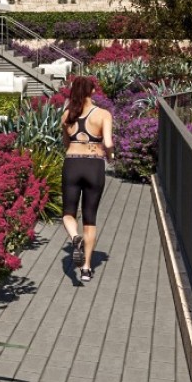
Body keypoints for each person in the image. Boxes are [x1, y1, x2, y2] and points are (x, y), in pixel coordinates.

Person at [59, 75, 112, 284]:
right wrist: (110, 156)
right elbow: (108, 143)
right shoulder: (103, 114)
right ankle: (86, 269)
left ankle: (74, 238)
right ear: (92, 91)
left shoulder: (66, 115)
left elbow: (66, 143)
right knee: (90, 218)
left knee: (68, 213)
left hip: (72, 164)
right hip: (94, 165)